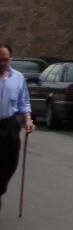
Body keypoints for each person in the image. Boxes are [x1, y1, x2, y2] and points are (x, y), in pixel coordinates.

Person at [0, 44, 34, 212]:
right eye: (0, 60)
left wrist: (28, 120)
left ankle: (2, 186)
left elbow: (24, 102)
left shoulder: (18, 77)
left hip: (11, 125)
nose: (3, 63)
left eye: (6, 60)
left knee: (10, 163)